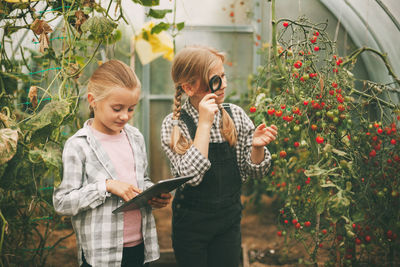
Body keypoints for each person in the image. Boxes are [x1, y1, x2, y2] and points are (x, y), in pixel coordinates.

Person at [160, 45, 278, 267]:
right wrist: (204, 123)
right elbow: (191, 177)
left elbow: (257, 171)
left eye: (224, 76)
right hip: (191, 227)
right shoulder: (174, 125)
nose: (223, 85)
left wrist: (257, 148)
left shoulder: (235, 116)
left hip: (228, 222)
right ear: (189, 87)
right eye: (215, 80)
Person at [53, 60, 171, 267]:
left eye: (132, 109)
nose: (125, 116)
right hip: (102, 254)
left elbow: (140, 180)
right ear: (93, 101)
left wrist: (152, 193)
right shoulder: (78, 146)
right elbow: (62, 202)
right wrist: (105, 186)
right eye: (117, 108)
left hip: (139, 247)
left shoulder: (135, 137)